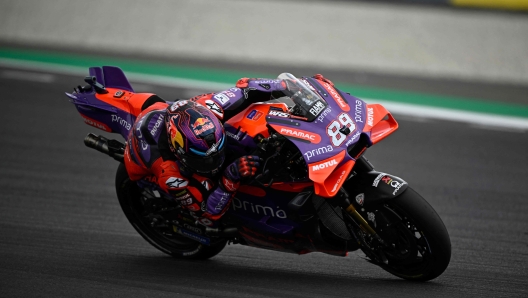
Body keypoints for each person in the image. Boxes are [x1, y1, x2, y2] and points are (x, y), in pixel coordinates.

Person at [123, 76, 294, 228]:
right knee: (205, 191)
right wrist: (230, 175)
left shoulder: (210, 106)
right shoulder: (169, 174)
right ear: (179, 152)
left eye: (216, 155)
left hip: (164, 110)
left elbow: (248, 87)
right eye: (203, 161)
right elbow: (208, 215)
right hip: (144, 166)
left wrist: (290, 85)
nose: (214, 164)